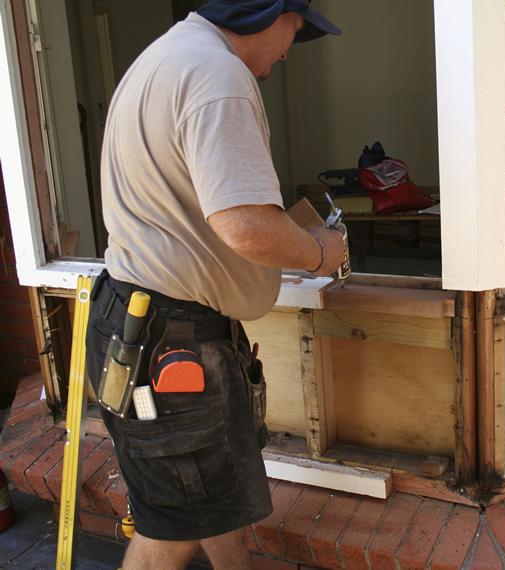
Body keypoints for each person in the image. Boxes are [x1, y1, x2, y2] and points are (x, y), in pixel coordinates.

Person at [85, 1, 346, 568]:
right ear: (271, 12)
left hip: (136, 320)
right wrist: (321, 251)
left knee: (203, 499)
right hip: (170, 340)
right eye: (296, 31)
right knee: (174, 526)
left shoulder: (164, 56)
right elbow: (246, 227)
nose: (285, 52)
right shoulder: (217, 74)